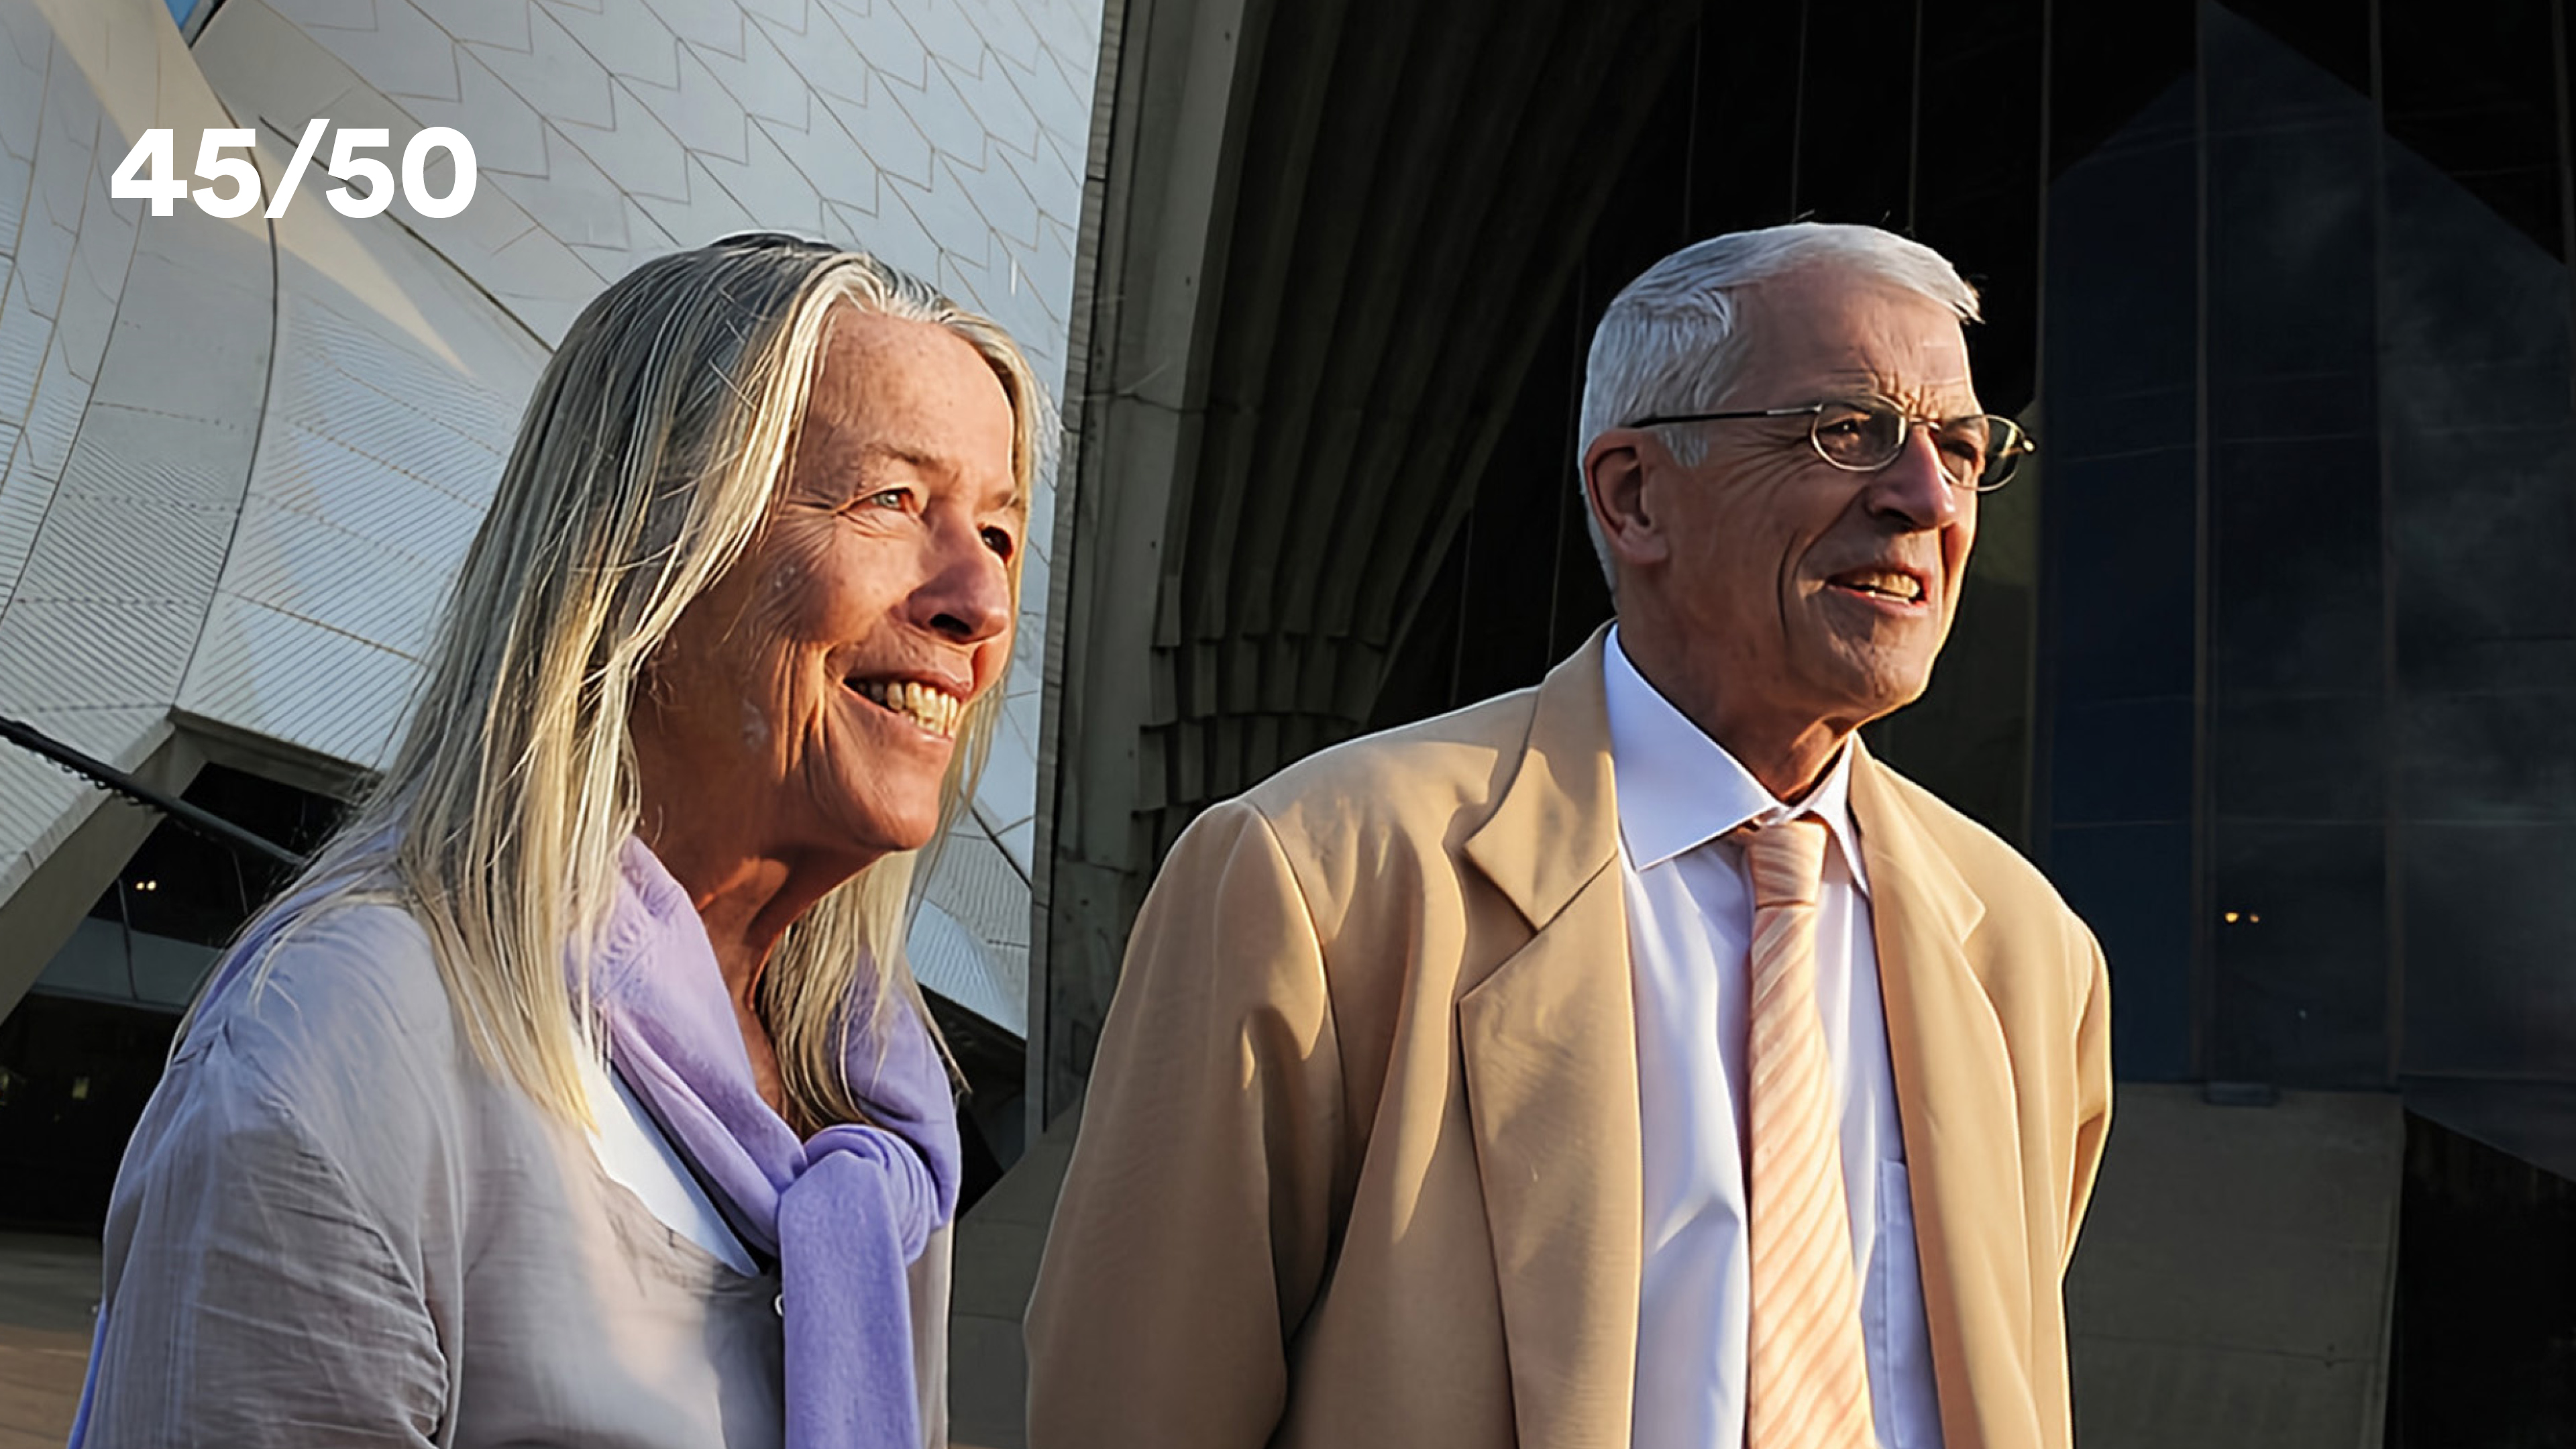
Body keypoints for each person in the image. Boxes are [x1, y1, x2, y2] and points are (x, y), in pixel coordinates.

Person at [1024, 222, 2112, 1449]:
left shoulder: (2029, 955)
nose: (1926, 500)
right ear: (1635, 494)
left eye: (1962, 449)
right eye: (1847, 432)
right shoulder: (1323, 877)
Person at [71, 234, 1049, 1448]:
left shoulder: (876, 1115)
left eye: (999, 532)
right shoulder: (351, 1045)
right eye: (892, 502)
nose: (982, 602)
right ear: (644, 556)